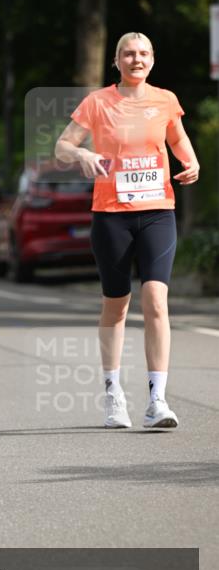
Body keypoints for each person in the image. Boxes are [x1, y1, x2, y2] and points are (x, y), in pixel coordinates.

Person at [55, 32, 200, 431]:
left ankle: (157, 399)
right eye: (128, 54)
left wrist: (191, 161)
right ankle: (113, 394)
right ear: (116, 62)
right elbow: (62, 147)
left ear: (153, 60)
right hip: (111, 215)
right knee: (116, 304)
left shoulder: (165, 100)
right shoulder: (98, 102)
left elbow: (178, 138)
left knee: (155, 296)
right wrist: (82, 153)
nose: (136, 60)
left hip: (157, 211)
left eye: (143, 54)